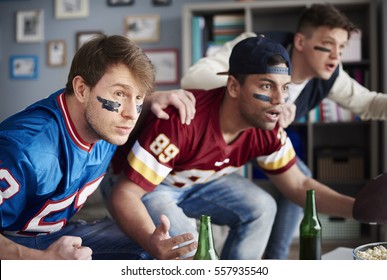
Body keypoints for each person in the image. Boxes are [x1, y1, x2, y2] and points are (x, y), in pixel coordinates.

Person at [107, 35, 356, 260]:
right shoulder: (183, 119)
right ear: (234, 86)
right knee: (190, 248)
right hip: (148, 184)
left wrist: (360, 208)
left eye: (285, 87)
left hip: (198, 181)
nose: (280, 100)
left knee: (262, 207)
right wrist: (152, 243)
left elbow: (299, 185)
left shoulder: (267, 125)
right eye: (267, 86)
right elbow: (125, 195)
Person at [180, 3, 387, 259]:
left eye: (342, 48)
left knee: (298, 179)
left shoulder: (331, 74)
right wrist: (257, 97)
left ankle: (276, 258)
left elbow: (368, 103)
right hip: (230, 132)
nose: (336, 56)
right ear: (300, 41)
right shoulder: (257, 49)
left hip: (264, 139)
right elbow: (194, 78)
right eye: (328, 44)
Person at [0, 34, 197, 260]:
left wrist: (156, 98)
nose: (131, 114)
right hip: (16, 245)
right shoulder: (25, 147)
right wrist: (42, 262)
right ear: (82, 89)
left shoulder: (107, 124)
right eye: (120, 94)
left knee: (156, 246)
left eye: (139, 97)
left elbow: (130, 108)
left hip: (57, 233)